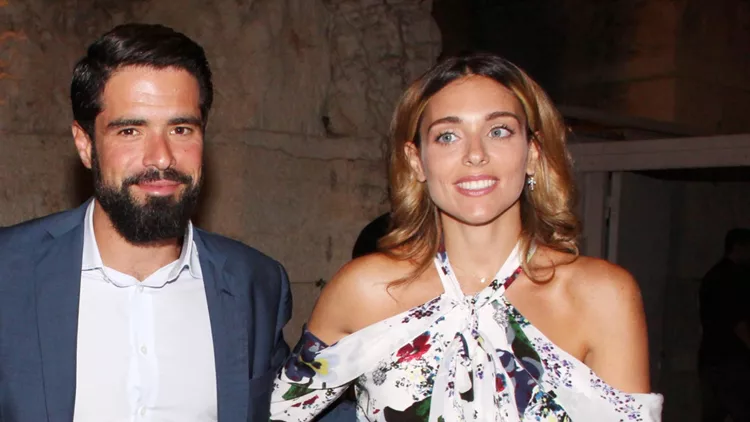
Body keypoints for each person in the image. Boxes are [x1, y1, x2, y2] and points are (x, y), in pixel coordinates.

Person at [271, 53, 663, 421]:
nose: (475, 154)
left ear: (532, 153)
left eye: (498, 131)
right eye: (448, 136)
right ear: (416, 160)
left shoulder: (602, 296)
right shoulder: (365, 290)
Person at [0, 24, 290, 422]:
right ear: (85, 145)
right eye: (130, 131)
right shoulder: (9, 272)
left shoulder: (255, 283)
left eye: (181, 129)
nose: (161, 157)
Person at [698, 228, 750, 421]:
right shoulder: (734, 278)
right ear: (739, 247)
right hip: (732, 361)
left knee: (713, 414)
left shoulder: (714, 275)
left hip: (711, 358)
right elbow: (738, 321)